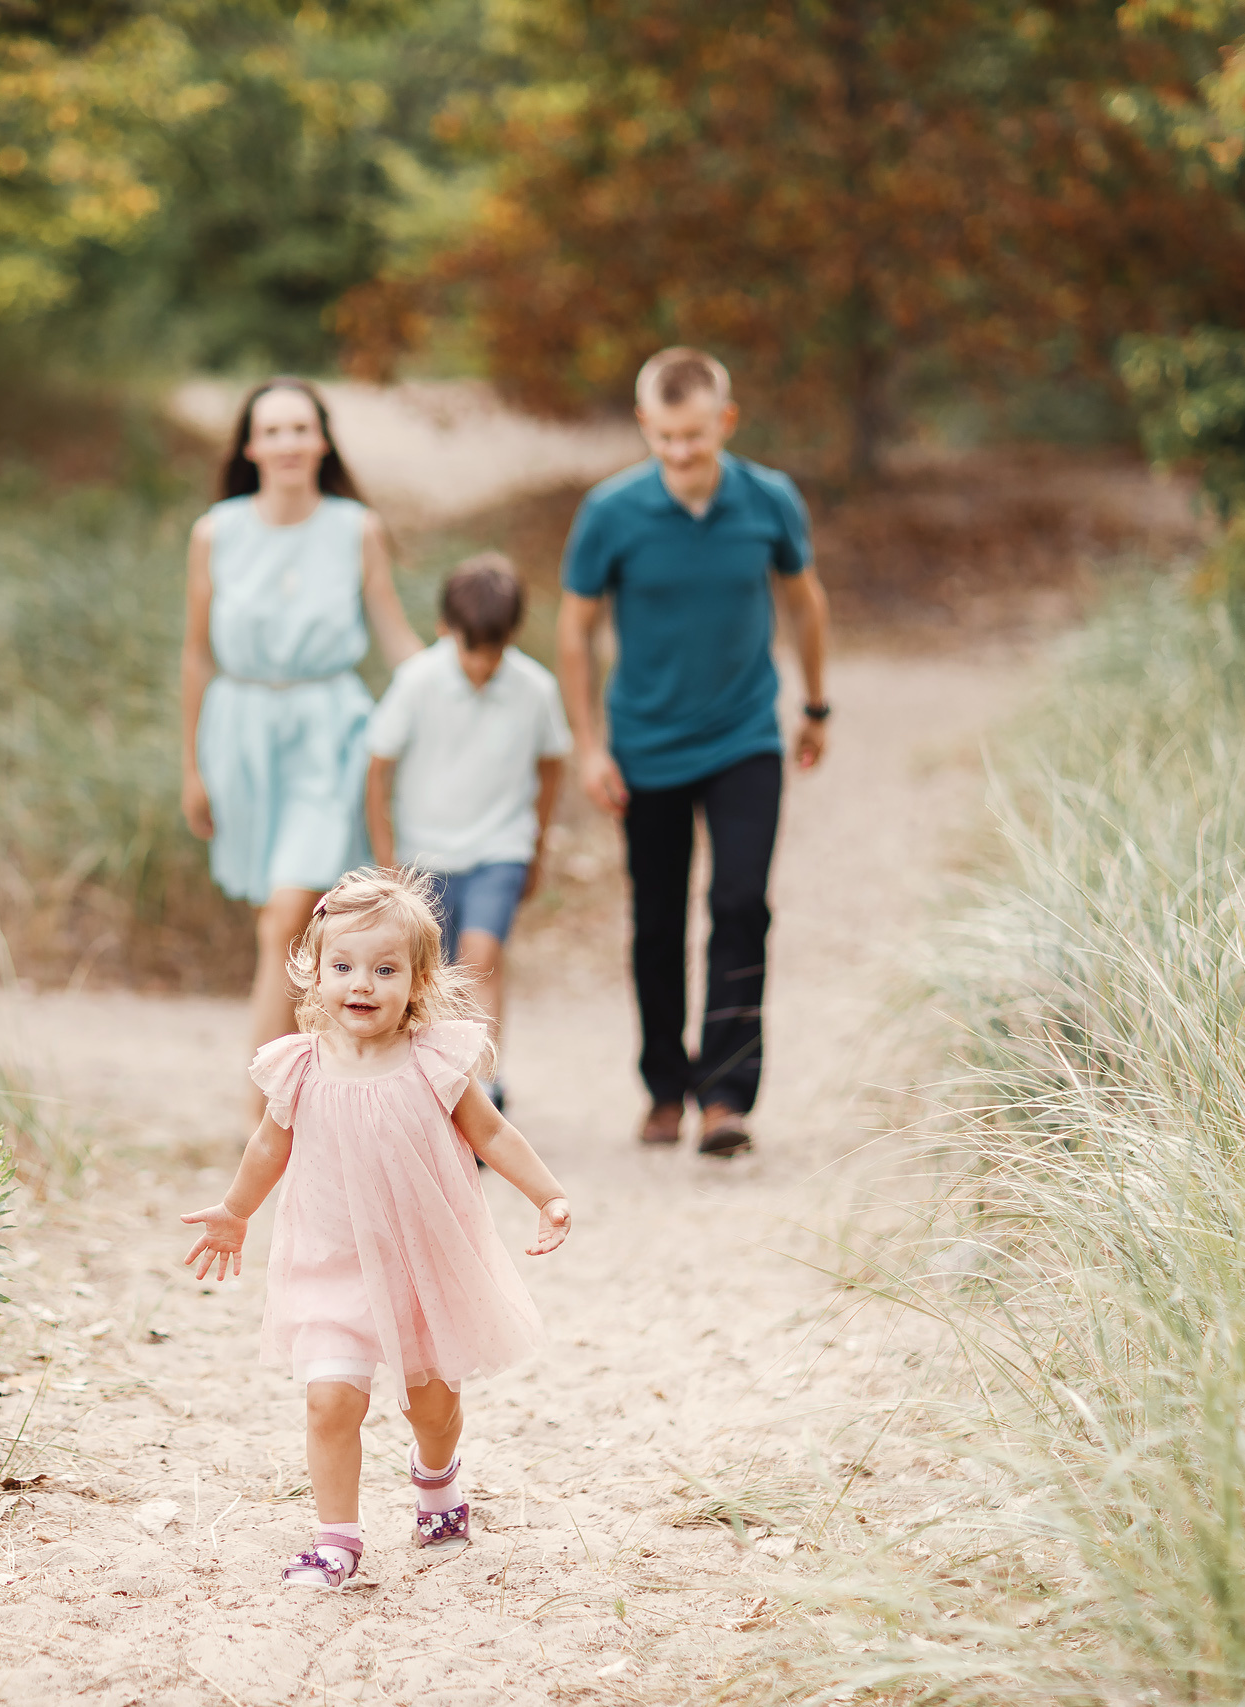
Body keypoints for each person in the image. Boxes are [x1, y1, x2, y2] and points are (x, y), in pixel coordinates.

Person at [178, 869, 572, 1591]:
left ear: (417, 980)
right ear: (316, 973)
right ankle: (337, 1538)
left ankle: (437, 1477)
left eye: (385, 969)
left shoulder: (433, 1062)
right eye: (344, 966)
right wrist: (236, 1211)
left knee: (435, 1405)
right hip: (331, 1265)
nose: (362, 984)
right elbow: (269, 1147)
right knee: (330, 1400)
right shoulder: (298, 1068)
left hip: (419, 1266)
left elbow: (494, 1133)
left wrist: (547, 1195)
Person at [555, 347, 831, 1159]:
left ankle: (725, 1097)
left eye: (696, 436)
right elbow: (575, 630)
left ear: (726, 423)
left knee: (743, 903)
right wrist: (589, 745)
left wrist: (814, 703)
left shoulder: (769, 499)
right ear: (646, 426)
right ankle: (665, 1085)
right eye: (666, 437)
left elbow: (805, 602)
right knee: (657, 920)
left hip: (745, 735)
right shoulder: (611, 511)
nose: (681, 453)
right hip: (644, 743)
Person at [182, 378, 423, 1092]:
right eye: (273, 430)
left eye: (301, 429)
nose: (288, 443)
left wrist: (459, 682)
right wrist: (190, 766)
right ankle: (310, 1084)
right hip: (242, 730)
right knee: (275, 916)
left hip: (328, 730)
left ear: (322, 440)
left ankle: (264, 1108)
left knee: (288, 913)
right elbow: (195, 653)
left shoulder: (356, 528)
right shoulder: (216, 532)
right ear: (251, 446)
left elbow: (395, 637)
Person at [362, 554, 571, 1110]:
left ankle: (484, 1085)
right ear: (444, 630)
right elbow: (377, 768)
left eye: (495, 651)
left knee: (481, 956)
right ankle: (431, 1085)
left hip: (499, 847)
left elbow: (552, 766)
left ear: (513, 636)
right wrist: (387, 861)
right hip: (423, 853)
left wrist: (535, 848)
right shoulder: (417, 682)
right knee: (430, 972)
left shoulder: (535, 689)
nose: (482, 665)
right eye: (470, 649)